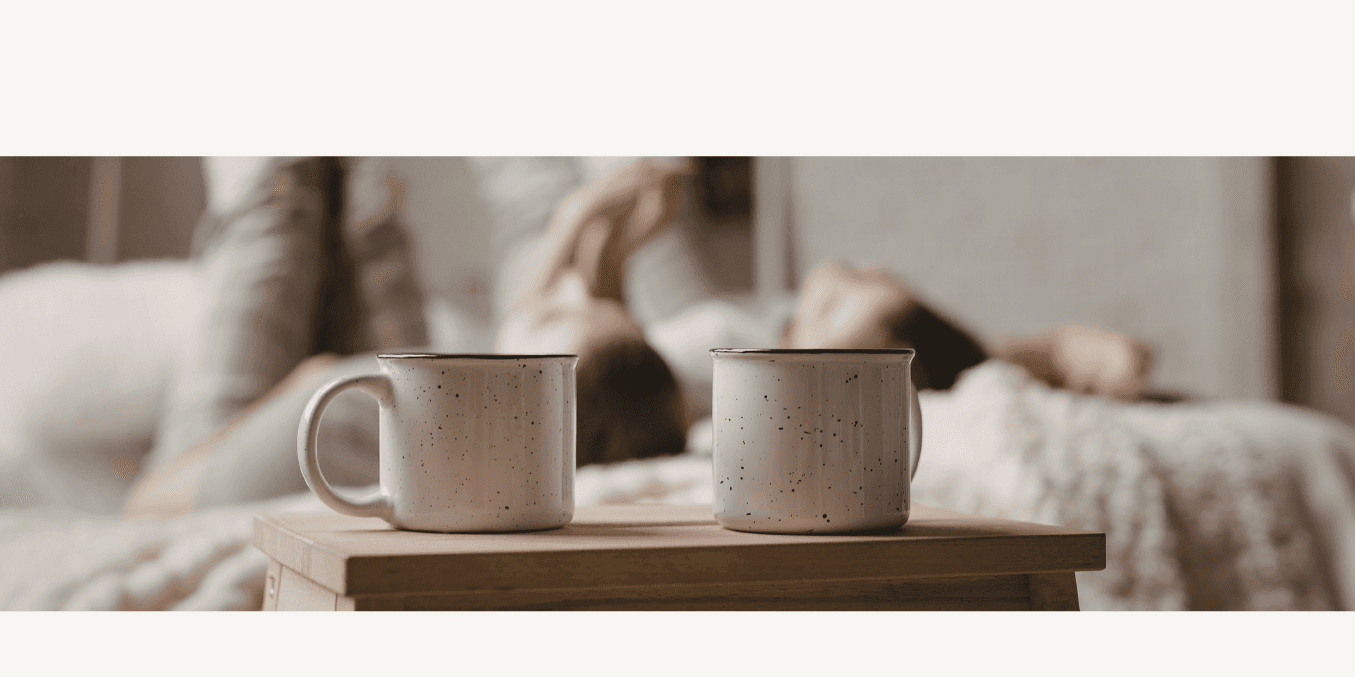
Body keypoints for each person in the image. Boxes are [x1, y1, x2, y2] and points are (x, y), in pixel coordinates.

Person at [124, 156, 1155, 518]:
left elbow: (559, 359)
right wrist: (1060, 351)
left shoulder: (758, 386)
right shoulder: (736, 347)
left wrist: (580, 237)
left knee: (280, 213)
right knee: (359, 227)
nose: (826, 280)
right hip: (390, 402)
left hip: (277, 434)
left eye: (836, 306)